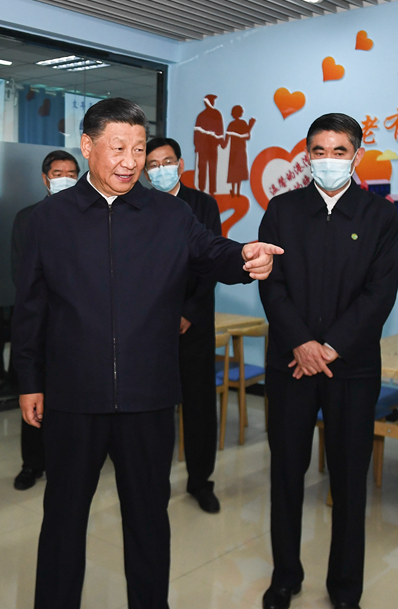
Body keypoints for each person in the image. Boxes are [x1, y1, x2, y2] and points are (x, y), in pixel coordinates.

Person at [12, 98, 282, 609]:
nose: (130, 161)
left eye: (138, 149)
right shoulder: (49, 219)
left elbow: (211, 251)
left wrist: (244, 256)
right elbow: (31, 307)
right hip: (74, 396)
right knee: (63, 520)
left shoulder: (169, 213)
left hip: (148, 396)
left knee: (148, 521)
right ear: (88, 146)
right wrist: (29, 380)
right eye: (118, 148)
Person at [257, 113, 398, 609]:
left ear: (357, 156)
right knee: (286, 474)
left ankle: (345, 588)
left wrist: (330, 347)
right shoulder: (282, 209)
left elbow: (380, 293)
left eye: (340, 151)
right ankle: (284, 577)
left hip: (351, 369)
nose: (329, 160)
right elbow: (271, 285)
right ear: (307, 156)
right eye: (319, 151)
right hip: (291, 366)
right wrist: (301, 343)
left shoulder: (378, 215)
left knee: (349, 481)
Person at [144, 136, 223, 513]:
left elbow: (211, 262)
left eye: (167, 162)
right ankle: (153, 482)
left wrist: (188, 311)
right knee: (153, 409)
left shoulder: (203, 204)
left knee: (199, 406)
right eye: (153, 164)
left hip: (195, 323)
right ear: (145, 172)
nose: (161, 169)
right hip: (150, 327)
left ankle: (200, 482)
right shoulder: (139, 206)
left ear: (180, 164)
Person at [10, 149, 80, 491]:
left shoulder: (89, 216)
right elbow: (20, 275)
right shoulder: (28, 218)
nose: (65, 179)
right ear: (45, 178)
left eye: (71, 173)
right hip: (39, 325)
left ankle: (65, 463)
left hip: (77, 327)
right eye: (58, 173)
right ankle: (32, 464)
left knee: (72, 400)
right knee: (34, 395)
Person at [193, 94, 227, 195]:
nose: (213, 102)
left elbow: (197, 133)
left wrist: (197, 146)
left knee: (206, 168)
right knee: (209, 168)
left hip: (207, 147)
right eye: (212, 100)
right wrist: (222, 143)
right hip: (209, 146)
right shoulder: (215, 114)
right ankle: (209, 190)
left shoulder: (203, 115)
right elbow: (220, 132)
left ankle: (204, 189)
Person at [226, 105, 255, 197]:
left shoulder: (232, 124)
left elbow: (227, 139)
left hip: (235, 151)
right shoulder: (241, 123)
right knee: (237, 171)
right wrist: (249, 127)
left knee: (236, 171)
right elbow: (247, 136)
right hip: (239, 150)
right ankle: (236, 192)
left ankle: (236, 191)